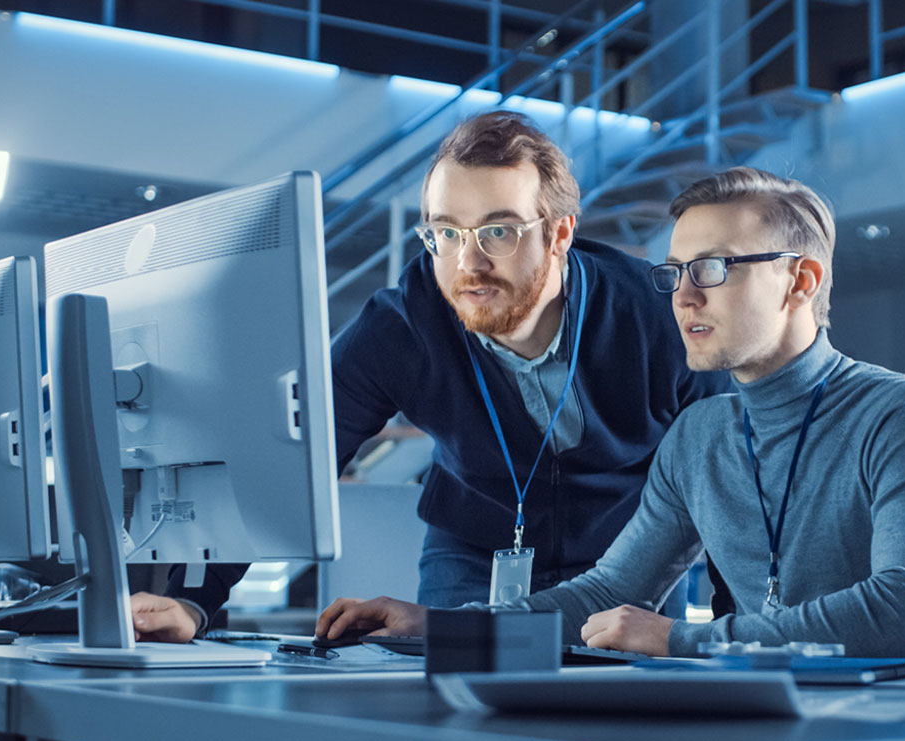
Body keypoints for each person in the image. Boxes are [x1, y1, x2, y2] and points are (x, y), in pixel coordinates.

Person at [316, 167, 905, 659]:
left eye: (714, 269)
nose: (684, 297)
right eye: (674, 272)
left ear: (801, 281)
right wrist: (437, 624)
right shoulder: (702, 435)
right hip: (788, 722)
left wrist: (683, 638)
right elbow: (607, 590)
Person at [128, 111, 731, 643]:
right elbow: (291, 465)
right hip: (472, 552)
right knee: (457, 721)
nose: (468, 262)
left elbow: (728, 481)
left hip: (625, 562)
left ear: (560, 233)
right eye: (446, 232)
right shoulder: (403, 325)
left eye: (499, 230)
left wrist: (743, 636)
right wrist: (193, 601)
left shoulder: (658, 318)